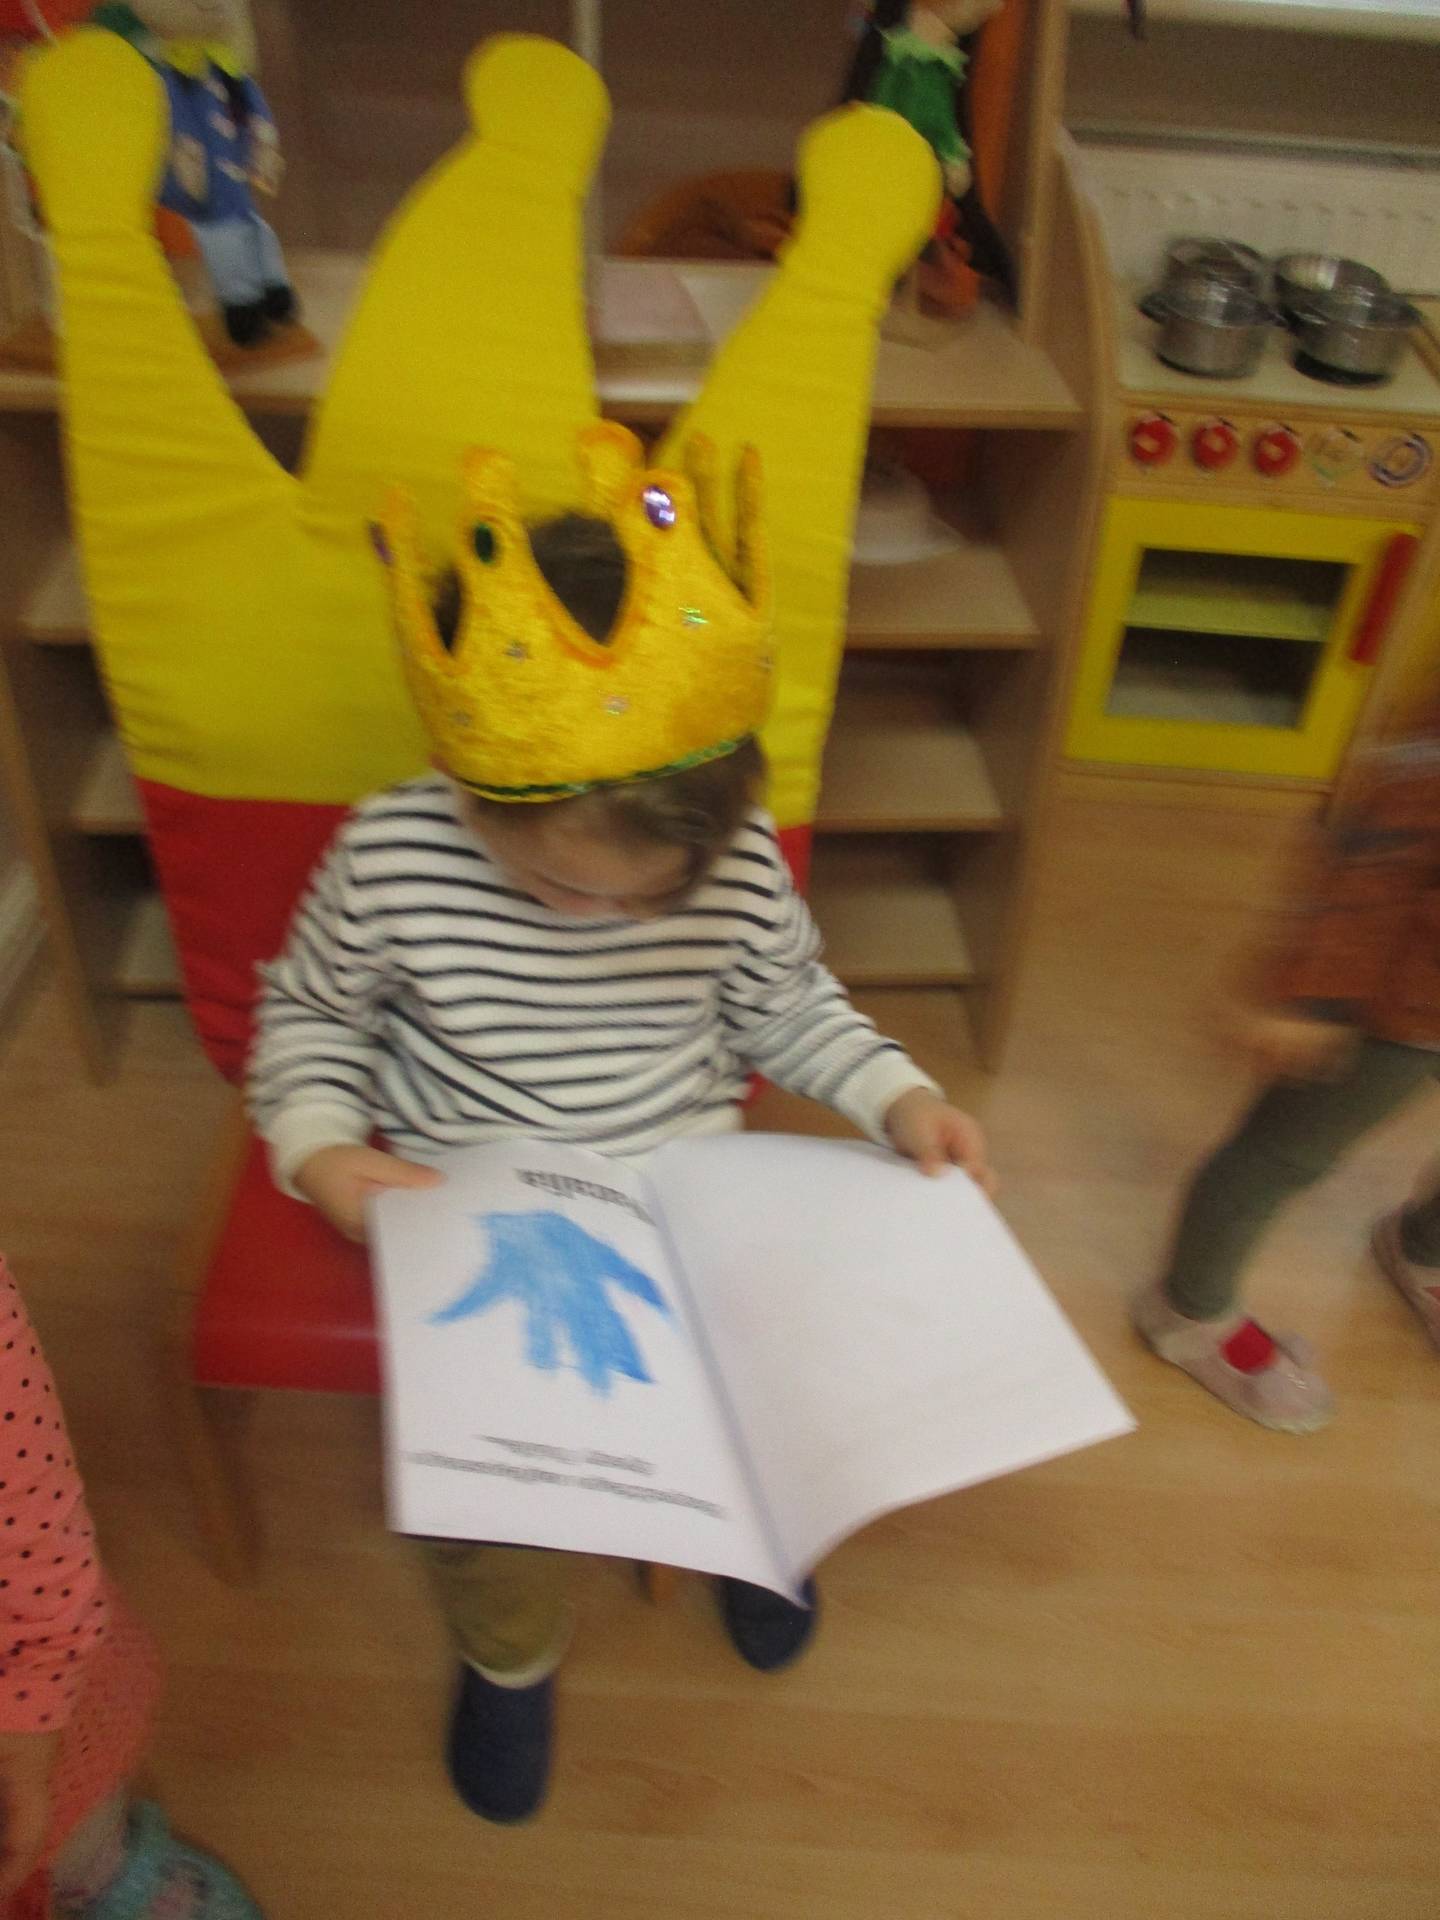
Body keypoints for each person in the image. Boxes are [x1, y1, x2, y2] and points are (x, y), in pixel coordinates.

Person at [248, 445, 995, 1826]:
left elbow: (789, 1005)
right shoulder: (392, 854)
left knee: (779, 1388)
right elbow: (310, 1017)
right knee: (494, 1484)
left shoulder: (732, 859)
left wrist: (899, 1096)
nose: (595, 921)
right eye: (554, 888)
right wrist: (319, 1145)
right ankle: (510, 1656)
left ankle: (759, 1544)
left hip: (688, 1187)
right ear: (472, 788)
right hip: (470, 1198)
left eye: (642, 901)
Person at [1134, 707, 1440, 1432]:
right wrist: (1314, 993)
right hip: (1393, 1004)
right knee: (1280, 1154)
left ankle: (1426, 1246)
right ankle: (1190, 1308)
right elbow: (1376, 853)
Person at [0, 1255, 261, 1918]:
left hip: (29, 1707)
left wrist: (28, 1725)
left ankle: (103, 1871)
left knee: (73, 1823)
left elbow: (30, 1517)